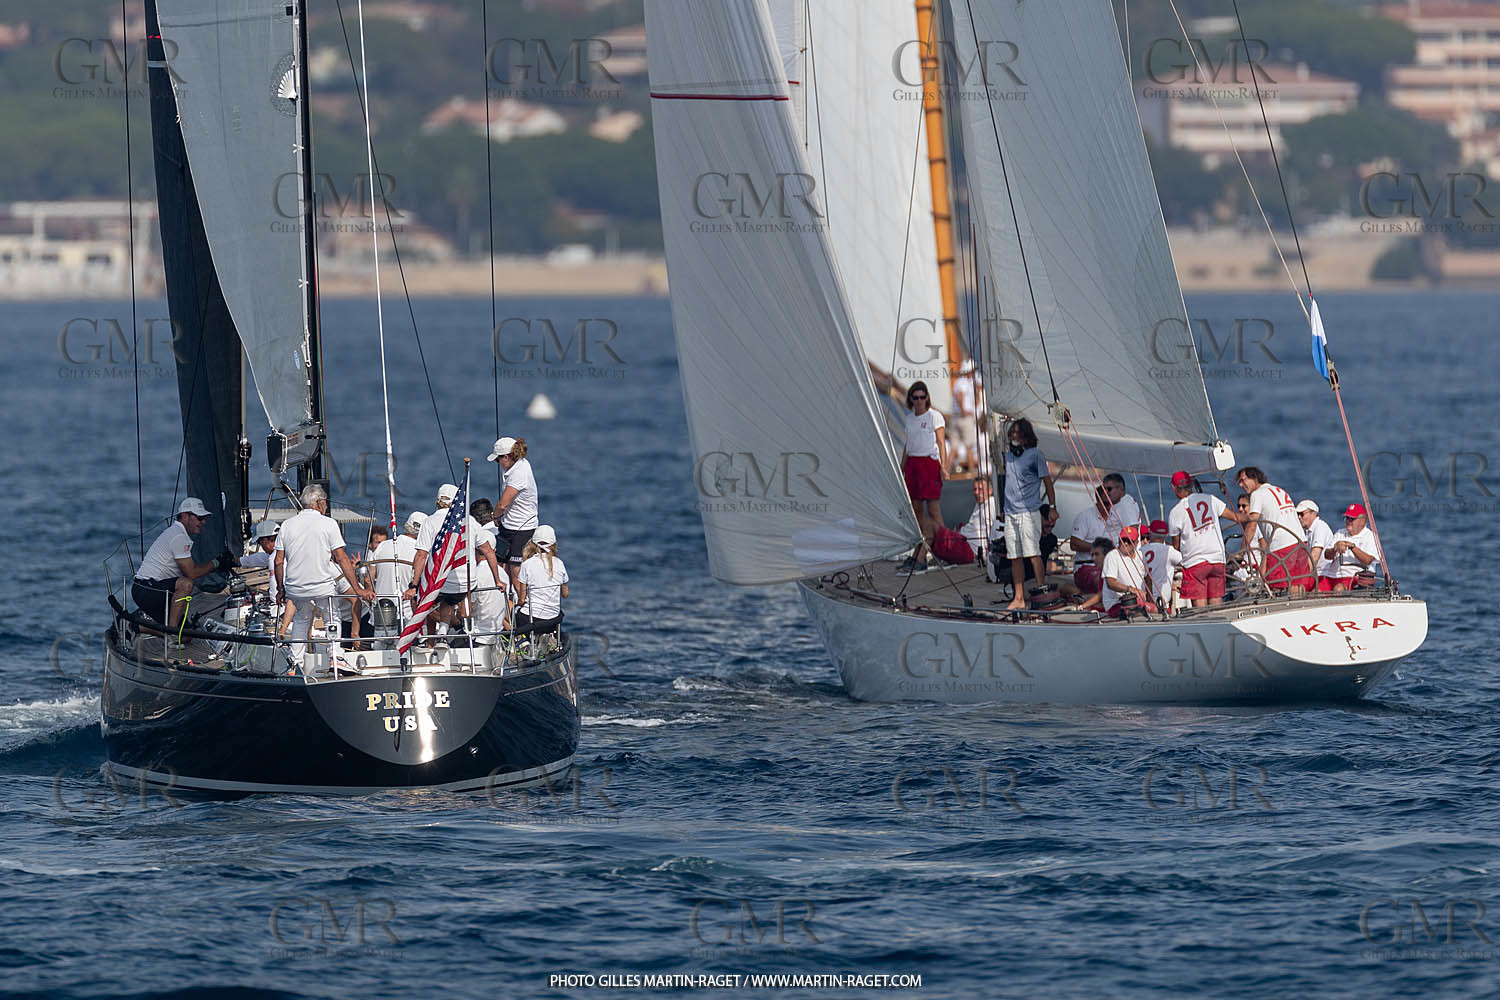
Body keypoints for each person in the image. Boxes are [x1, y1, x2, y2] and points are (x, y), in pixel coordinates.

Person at [275, 484, 373, 670]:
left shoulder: (287, 525)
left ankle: (296, 661)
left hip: (295, 587)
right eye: (325, 503)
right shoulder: (328, 524)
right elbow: (341, 558)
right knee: (332, 617)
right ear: (319, 503)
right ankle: (335, 656)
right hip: (321, 585)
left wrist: (281, 589)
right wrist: (358, 589)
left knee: (301, 619)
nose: (326, 507)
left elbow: (279, 561)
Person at [410, 484, 503, 634]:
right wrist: (497, 580)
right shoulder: (470, 521)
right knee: (451, 598)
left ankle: (428, 640)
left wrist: (413, 585)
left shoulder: (429, 522)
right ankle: (448, 630)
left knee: (421, 599)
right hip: (467, 583)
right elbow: (489, 551)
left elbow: (421, 556)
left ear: (437, 501)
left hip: (441, 583)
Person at [132, 497, 224, 631]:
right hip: (147, 589)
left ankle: (137, 627)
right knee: (186, 584)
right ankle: (172, 633)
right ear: (185, 516)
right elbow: (191, 573)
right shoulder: (178, 536)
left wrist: (216, 563)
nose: (203, 522)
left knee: (187, 635)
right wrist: (217, 563)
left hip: (156, 589)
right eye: (199, 518)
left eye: (205, 518)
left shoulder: (179, 533)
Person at [1000, 418, 1057, 610]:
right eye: (1012, 433)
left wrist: (1052, 506)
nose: (1014, 435)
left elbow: (1047, 482)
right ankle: (1018, 597)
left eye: (1018, 432)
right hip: (1010, 513)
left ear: (1026, 436)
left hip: (1028, 512)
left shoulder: (1035, 455)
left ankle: (1041, 592)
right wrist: (1004, 423)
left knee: (1033, 554)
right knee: (1014, 556)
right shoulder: (1008, 455)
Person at [1230, 466, 1312, 595]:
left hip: (1281, 545)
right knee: (1297, 584)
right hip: (1300, 542)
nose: (1241, 484)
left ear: (1254, 478)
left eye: (1243, 480)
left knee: (1274, 586)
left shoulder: (1257, 494)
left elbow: (1252, 524)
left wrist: (1241, 553)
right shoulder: (1279, 490)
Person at [898, 381, 947, 570]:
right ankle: (921, 549)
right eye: (915, 397)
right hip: (913, 464)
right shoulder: (910, 418)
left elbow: (941, 443)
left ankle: (943, 549)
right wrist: (902, 468)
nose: (919, 401)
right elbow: (908, 445)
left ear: (927, 398)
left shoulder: (935, 416)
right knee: (917, 511)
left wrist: (944, 467)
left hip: (929, 463)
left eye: (922, 397)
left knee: (934, 510)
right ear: (911, 399)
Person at [1166, 470, 1232, 607]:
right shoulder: (1210, 498)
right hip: (1218, 559)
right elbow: (1234, 517)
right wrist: (1250, 517)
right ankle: (1219, 625)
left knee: (1200, 606)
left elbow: (1176, 545)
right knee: (1216, 602)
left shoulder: (1175, 512)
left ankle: (1205, 625)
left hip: (1196, 563)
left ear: (1173, 487)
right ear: (1191, 485)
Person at [488, 436, 540, 594]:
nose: (498, 464)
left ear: (506, 457)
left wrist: (494, 517)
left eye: (498, 460)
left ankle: (521, 604)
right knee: (502, 565)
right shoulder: (519, 464)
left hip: (521, 529)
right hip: (509, 526)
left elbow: (502, 505)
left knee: (516, 572)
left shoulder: (519, 474)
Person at [516, 524, 569, 633]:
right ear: (554, 544)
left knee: (509, 608)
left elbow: (522, 599)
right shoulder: (559, 564)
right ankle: (546, 638)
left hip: (529, 619)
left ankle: (520, 640)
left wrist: (517, 603)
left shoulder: (527, 564)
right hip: (552, 620)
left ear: (533, 544)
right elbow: (565, 594)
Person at [1068, 485, 1116, 597]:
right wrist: (1100, 549)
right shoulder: (1085, 516)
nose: (1108, 506)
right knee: (1104, 581)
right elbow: (1074, 544)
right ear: (1097, 499)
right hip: (1085, 567)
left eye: (1111, 503)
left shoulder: (1117, 518)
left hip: (1109, 567)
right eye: (1105, 503)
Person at [1101, 525, 1154, 618]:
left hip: (1137, 602)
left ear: (1136, 543)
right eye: (1122, 540)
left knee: (1158, 609)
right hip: (1116, 603)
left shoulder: (1141, 556)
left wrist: (1150, 597)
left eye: (1129, 541)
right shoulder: (1112, 556)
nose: (1125, 543)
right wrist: (1131, 589)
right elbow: (1110, 583)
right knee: (1145, 610)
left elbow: (1147, 578)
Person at [1327, 503, 1382, 590]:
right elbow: (1326, 556)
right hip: (1332, 576)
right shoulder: (1339, 533)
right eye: (1347, 518)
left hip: (1356, 578)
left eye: (1352, 519)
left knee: (1338, 589)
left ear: (1362, 521)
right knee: (1315, 591)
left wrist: (1352, 547)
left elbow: (1368, 561)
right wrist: (1335, 548)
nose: (1348, 521)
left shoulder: (1370, 536)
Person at [370, 512, 421, 603]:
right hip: (407, 612)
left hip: (380, 610)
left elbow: (368, 579)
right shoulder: (421, 554)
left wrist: (371, 601)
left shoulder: (382, 545)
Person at [1140, 519, 1181, 612]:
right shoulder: (1169, 551)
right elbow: (1186, 563)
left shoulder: (1141, 550)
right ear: (1166, 535)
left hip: (1144, 603)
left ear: (1150, 533)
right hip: (1161, 605)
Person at [1295, 499, 1337, 591]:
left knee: (1296, 588)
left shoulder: (1320, 527)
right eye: (1297, 514)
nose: (1299, 517)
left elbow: (1314, 556)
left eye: (1302, 514)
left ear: (1313, 513)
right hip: (1314, 574)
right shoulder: (1307, 531)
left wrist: (1301, 577)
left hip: (1324, 575)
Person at [956, 476, 998, 563]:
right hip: (961, 542)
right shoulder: (979, 504)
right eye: (975, 489)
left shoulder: (991, 504)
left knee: (932, 529)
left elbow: (993, 531)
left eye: (980, 489)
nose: (976, 492)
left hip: (971, 551)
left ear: (990, 491)